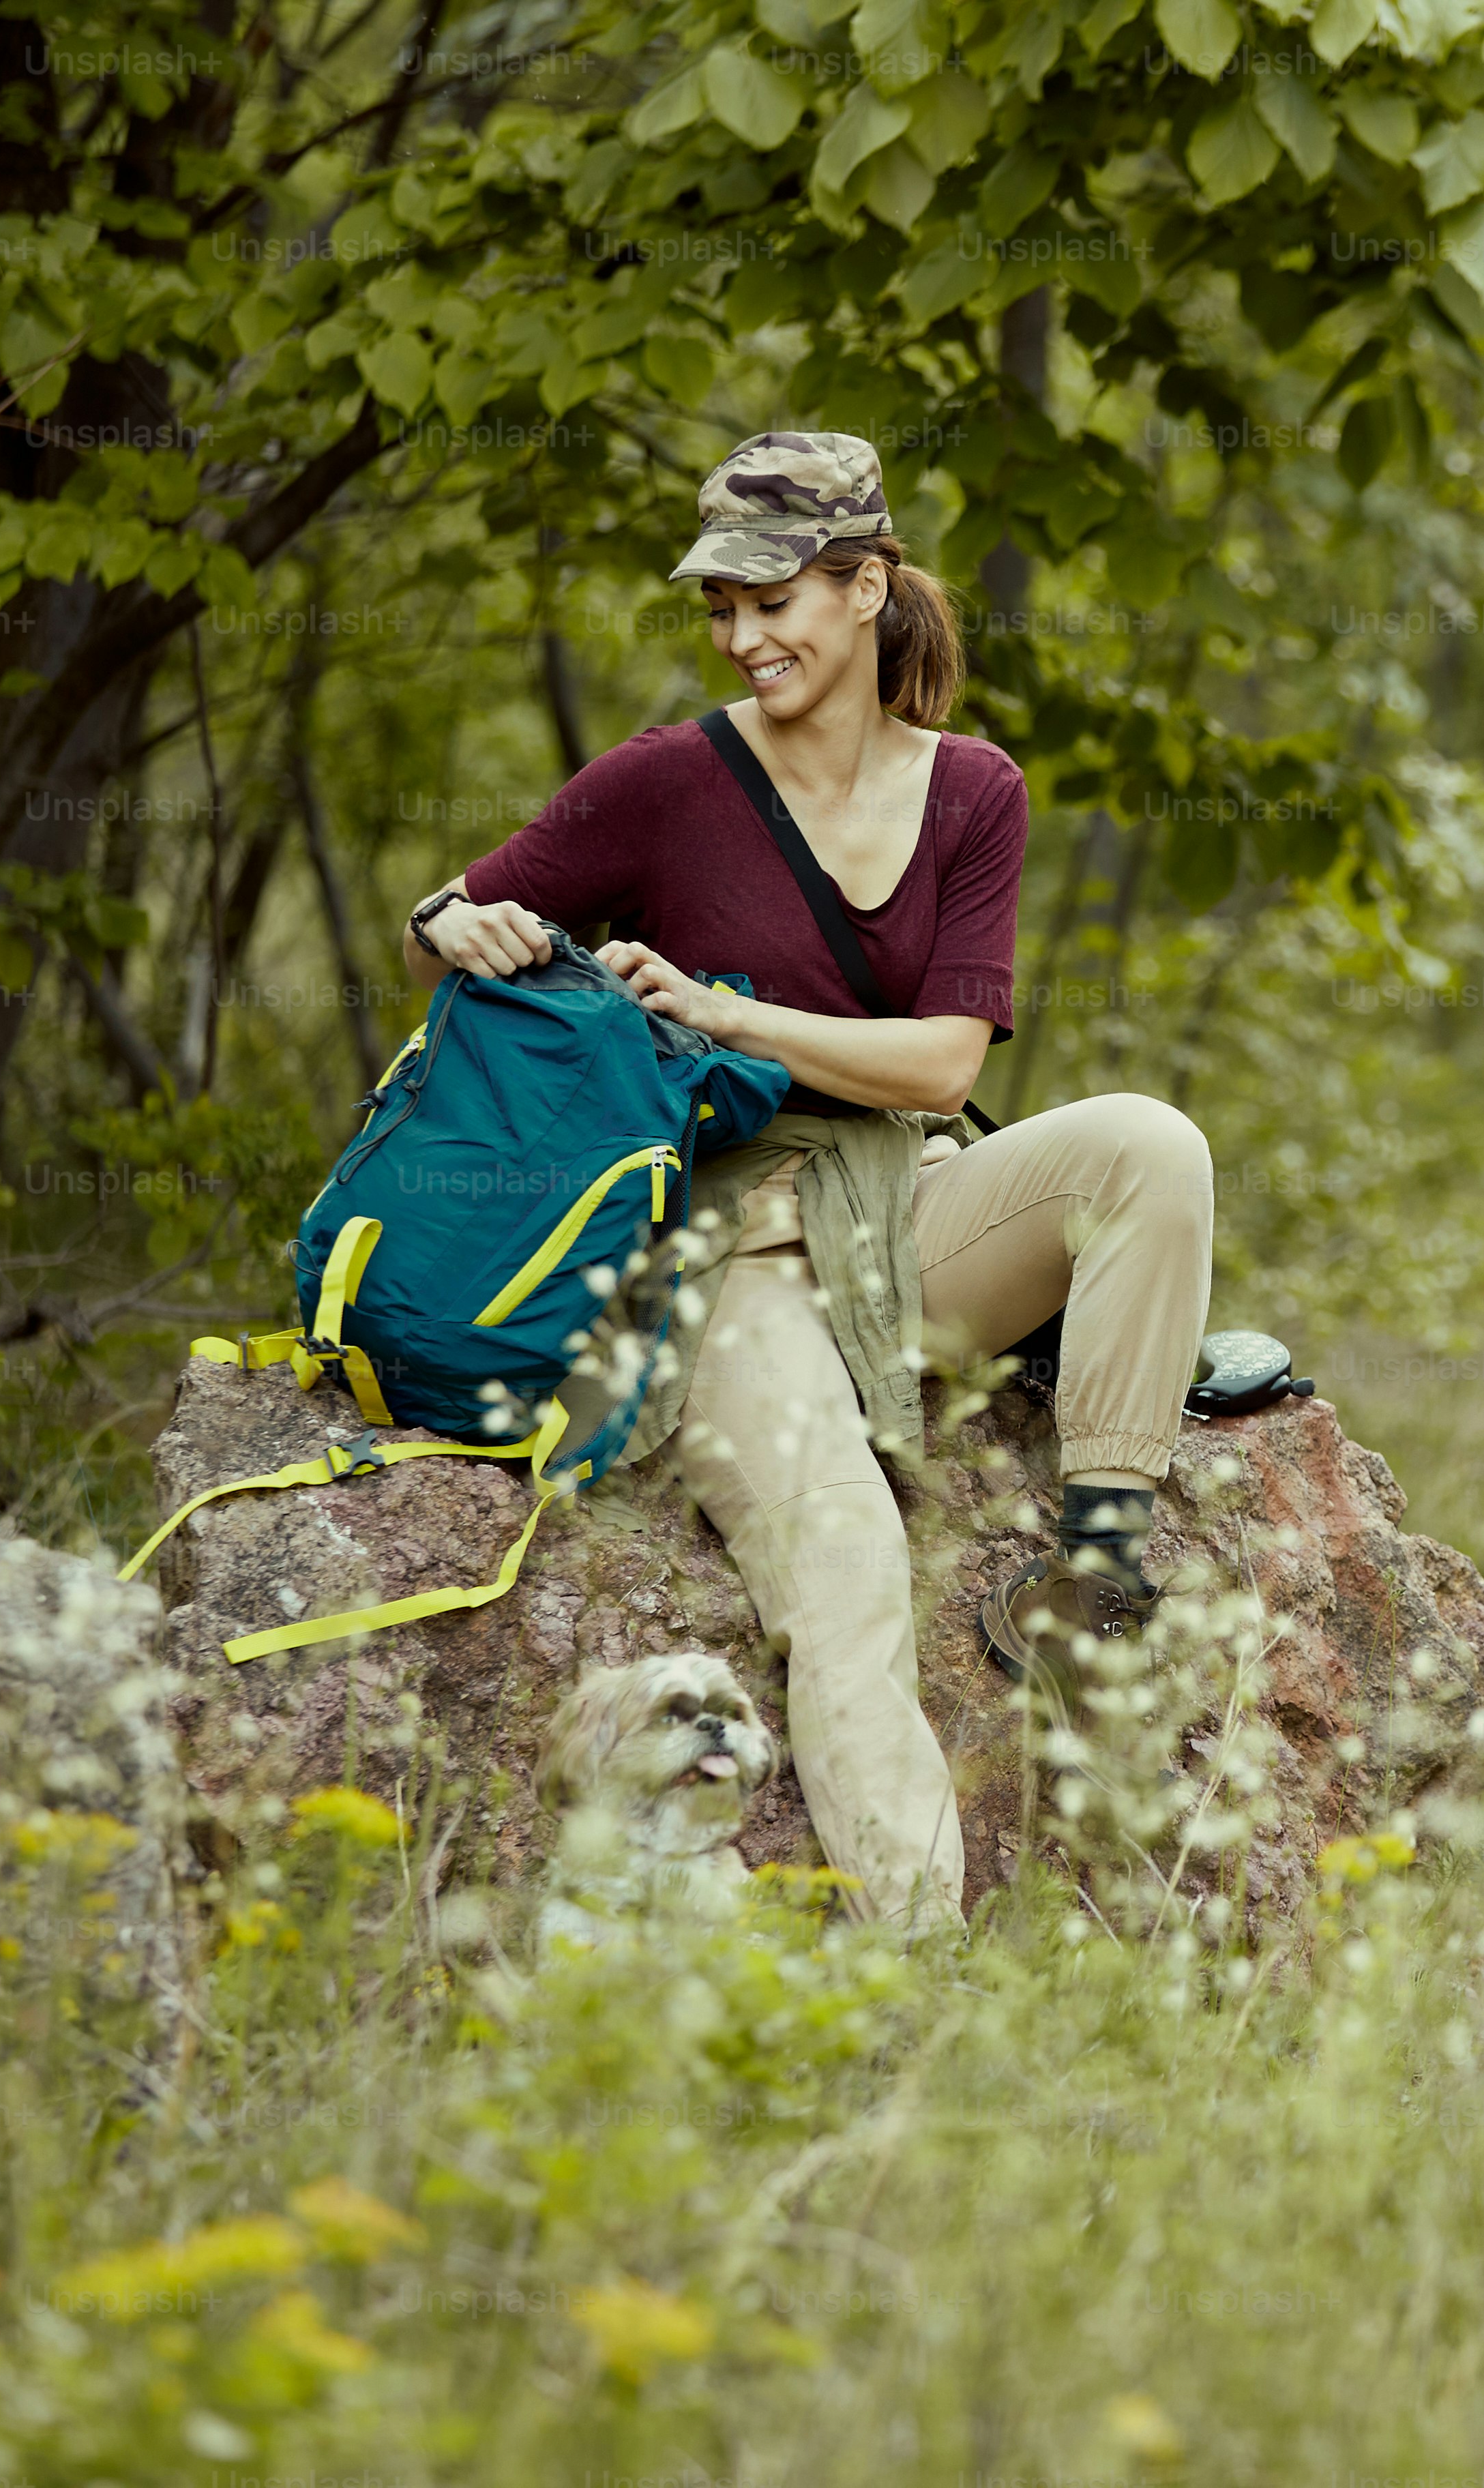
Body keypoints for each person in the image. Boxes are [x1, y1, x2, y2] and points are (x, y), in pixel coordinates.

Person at [402, 431, 1213, 1933]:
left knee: (1150, 1146)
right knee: (846, 1557)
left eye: (772, 598)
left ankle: (1094, 1580)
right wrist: (449, 923)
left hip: (911, 1212)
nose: (743, 635)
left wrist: (720, 1009)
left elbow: (943, 1069)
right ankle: (919, 1965)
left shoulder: (975, 791)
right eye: (721, 608)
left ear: (865, 585)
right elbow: (464, 907)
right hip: (734, 1257)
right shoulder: (668, 780)